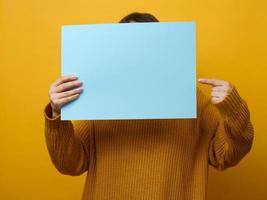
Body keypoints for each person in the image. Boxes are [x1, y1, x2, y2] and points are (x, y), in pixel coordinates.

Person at [44, 12, 254, 200]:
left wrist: (233, 109)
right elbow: (69, 164)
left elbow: (226, 156)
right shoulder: (100, 100)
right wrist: (56, 112)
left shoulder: (192, 99)